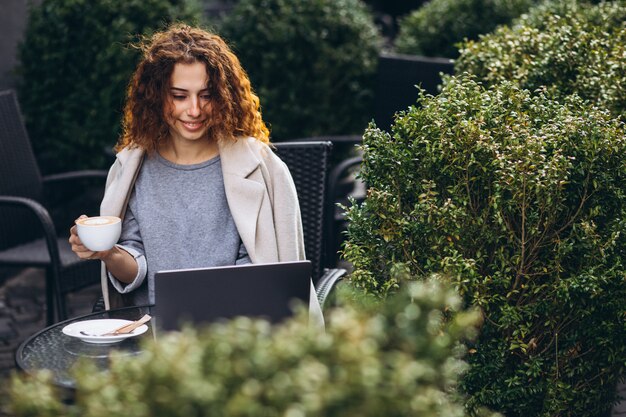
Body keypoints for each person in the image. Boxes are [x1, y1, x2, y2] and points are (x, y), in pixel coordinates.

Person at [69, 24, 323, 326]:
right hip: (152, 336)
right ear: (157, 97)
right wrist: (108, 253)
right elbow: (136, 267)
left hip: (240, 333)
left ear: (224, 96)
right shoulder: (131, 168)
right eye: (179, 96)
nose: (194, 110)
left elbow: (265, 268)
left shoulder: (259, 167)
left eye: (206, 95)